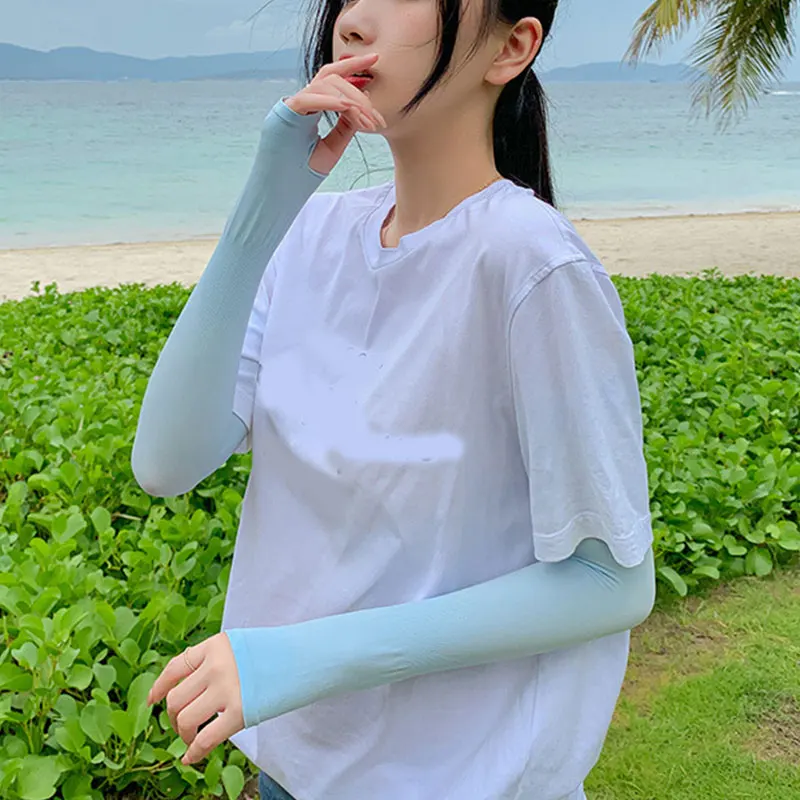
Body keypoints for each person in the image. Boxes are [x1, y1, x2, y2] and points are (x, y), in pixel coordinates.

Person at [133, 0, 657, 798]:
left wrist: (299, 657)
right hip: (296, 770)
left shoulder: (533, 264)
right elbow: (166, 463)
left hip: (462, 779)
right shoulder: (311, 234)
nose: (352, 22)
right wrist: (264, 207)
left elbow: (612, 580)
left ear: (512, 48)